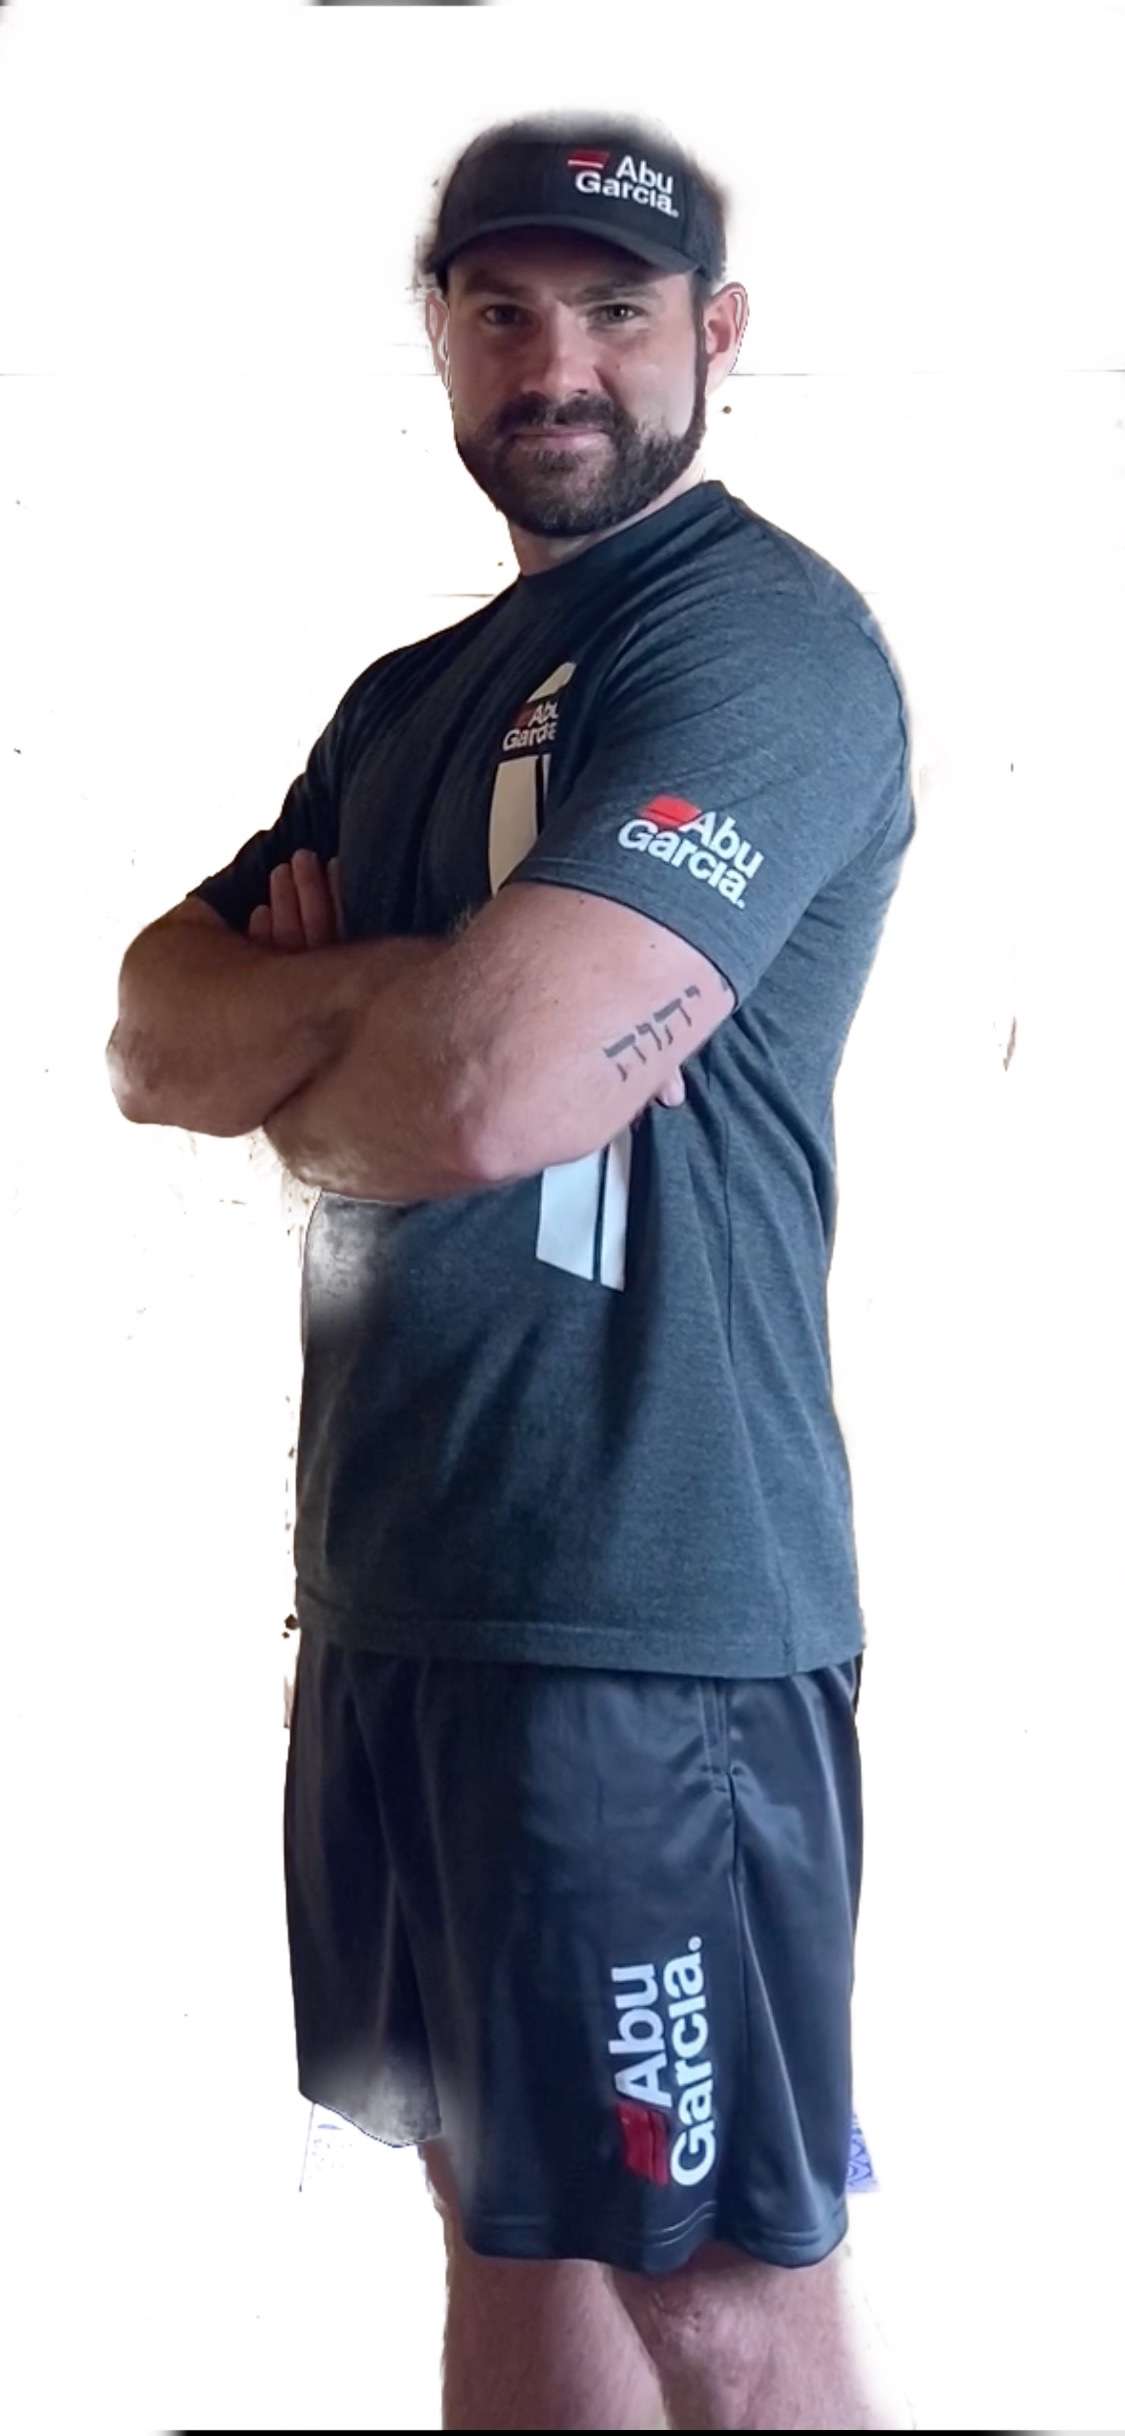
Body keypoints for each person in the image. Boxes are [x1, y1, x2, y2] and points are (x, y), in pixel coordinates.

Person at [107, 108, 917, 2432]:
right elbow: (155, 1036)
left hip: (642, 1611)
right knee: (503, 2218)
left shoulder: (756, 645)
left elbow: (489, 1098)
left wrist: (345, 1019)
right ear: (442, 337)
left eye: (612, 312)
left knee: (714, 2285)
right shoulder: (403, 698)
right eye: (501, 311)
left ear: (712, 336)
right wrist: (411, 1002)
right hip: (399, 1583)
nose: (553, 362)